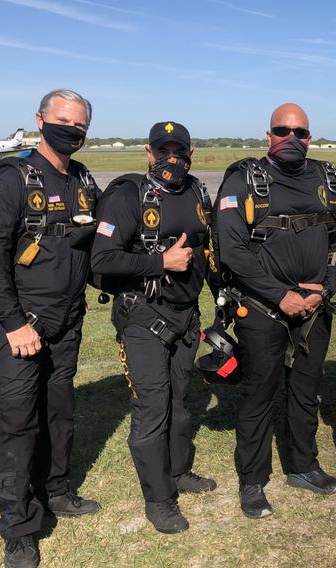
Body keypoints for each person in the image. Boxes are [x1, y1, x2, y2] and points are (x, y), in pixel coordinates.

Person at [0, 89, 100, 568]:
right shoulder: (11, 178)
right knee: (16, 425)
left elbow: (95, 242)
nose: (71, 129)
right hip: (20, 328)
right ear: (40, 120)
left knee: (58, 415)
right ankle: (19, 527)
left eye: (80, 124)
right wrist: (11, 323)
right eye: (63, 119)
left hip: (66, 324)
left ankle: (56, 491)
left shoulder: (83, 179)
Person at [214, 103, 336, 519]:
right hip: (261, 309)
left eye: (300, 132)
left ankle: (303, 465)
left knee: (306, 391)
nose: (292, 138)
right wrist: (280, 294)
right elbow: (230, 250)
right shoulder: (244, 179)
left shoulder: (327, 178)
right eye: (282, 130)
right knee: (259, 393)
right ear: (268, 135)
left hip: (313, 307)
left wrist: (325, 288)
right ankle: (252, 480)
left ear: (311, 137)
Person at [90, 121, 216, 534]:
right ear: (149, 152)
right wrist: (160, 263)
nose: (172, 158)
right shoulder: (127, 195)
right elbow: (102, 261)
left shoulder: (198, 191)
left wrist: (224, 296)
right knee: (152, 407)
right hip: (143, 318)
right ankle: (159, 498)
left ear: (191, 153)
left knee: (181, 401)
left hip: (186, 316)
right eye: (164, 150)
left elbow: (206, 249)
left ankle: (178, 472)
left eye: (180, 150)